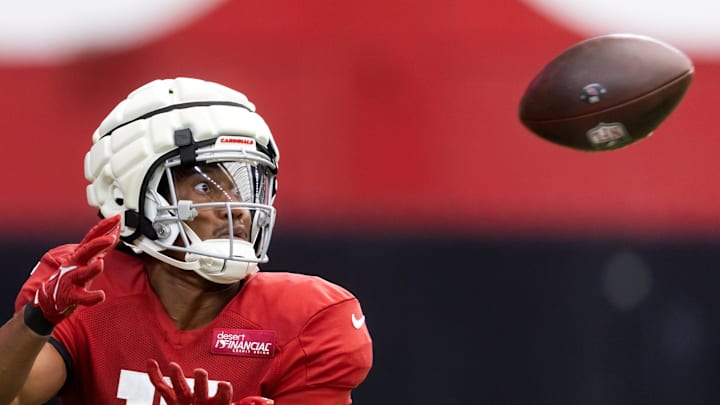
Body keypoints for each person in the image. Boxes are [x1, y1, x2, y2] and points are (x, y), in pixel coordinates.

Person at [0, 77, 373, 404]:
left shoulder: (309, 321)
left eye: (244, 186)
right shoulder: (87, 284)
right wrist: (37, 316)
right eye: (204, 186)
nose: (238, 209)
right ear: (130, 195)